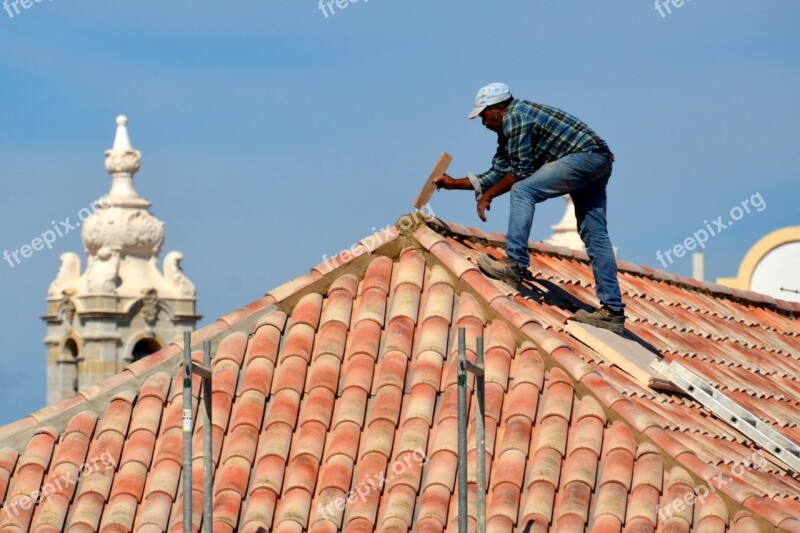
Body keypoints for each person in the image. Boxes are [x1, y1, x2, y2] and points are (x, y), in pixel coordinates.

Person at [433, 82, 626, 333]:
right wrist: (452, 184)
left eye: (484, 115)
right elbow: (500, 171)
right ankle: (613, 311)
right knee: (595, 234)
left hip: (585, 157)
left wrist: (488, 196)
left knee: (523, 190)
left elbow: (520, 173)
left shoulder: (516, 117)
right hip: (598, 161)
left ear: (499, 108)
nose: (483, 123)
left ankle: (514, 265)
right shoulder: (510, 127)